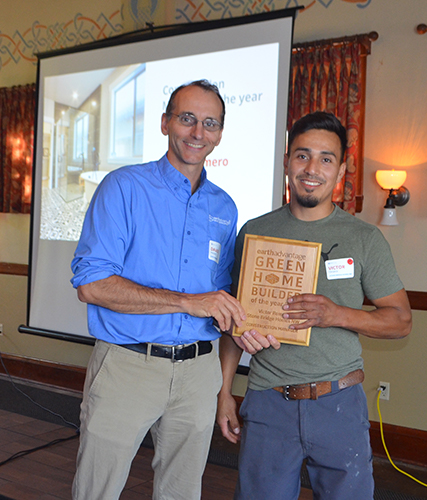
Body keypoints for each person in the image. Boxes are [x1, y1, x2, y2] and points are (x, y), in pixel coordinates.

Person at [217, 111, 412, 500]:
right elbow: (232, 322)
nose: (312, 168)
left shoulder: (363, 238)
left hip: (339, 401)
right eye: (302, 155)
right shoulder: (254, 231)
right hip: (268, 402)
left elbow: (401, 321)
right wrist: (224, 392)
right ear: (287, 161)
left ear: (341, 170)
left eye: (326, 159)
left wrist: (335, 314)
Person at [71, 79, 246, 500]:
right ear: (166, 123)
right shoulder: (124, 187)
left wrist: (226, 383)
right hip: (127, 366)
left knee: (182, 494)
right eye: (187, 119)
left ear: (220, 134)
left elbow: (220, 300)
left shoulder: (225, 207)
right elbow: (92, 285)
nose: (198, 133)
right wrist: (187, 302)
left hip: (199, 374)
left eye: (210, 123)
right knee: (98, 491)